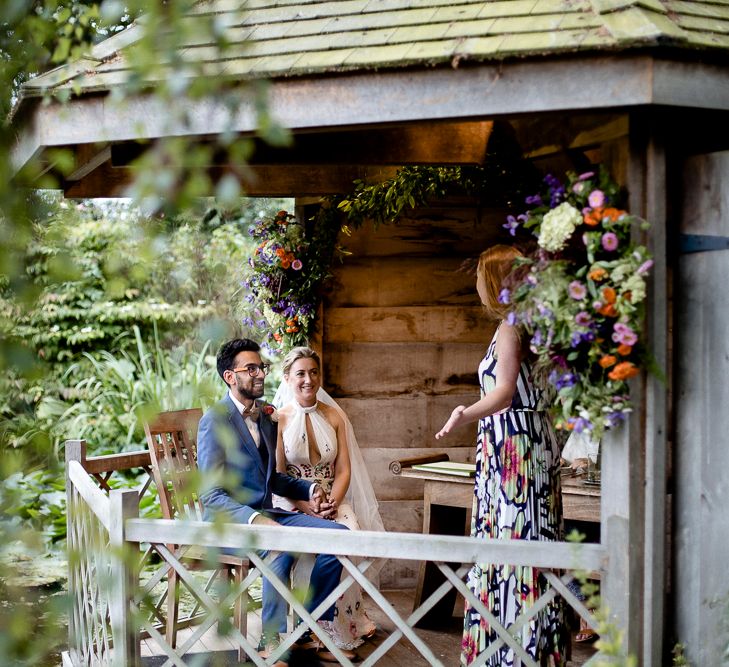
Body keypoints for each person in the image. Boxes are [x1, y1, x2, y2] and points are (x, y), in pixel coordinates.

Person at [435, 246, 566, 667]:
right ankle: (522, 644)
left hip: (515, 446)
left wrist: (463, 412)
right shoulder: (525, 325)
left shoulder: (512, 328)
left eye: (478, 276)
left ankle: (514, 649)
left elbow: (505, 391)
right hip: (519, 441)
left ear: (494, 281)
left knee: (515, 538)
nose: (474, 283)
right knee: (517, 538)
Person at [196, 338, 354, 666]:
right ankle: (272, 639)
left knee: (338, 536)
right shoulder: (214, 420)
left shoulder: (266, 418)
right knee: (278, 547)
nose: (259, 374)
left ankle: (312, 629)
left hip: (268, 513)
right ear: (230, 377)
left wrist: (309, 489)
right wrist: (256, 521)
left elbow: (272, 479)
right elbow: (211, 496)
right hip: (232, 523)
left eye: (261, 367)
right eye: (250, 368)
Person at [272, 346, 382, 650]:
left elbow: (344, 469)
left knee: (351, 534)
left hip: (331, 498)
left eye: (314, 372)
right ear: (287, 378)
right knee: (302, 547)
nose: (308, 379)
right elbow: (278, 474)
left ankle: (337, 623)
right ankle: (306, 627)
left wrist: (332, 501)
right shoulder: (278, 420)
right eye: (301, 374)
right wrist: (306, 504)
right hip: (292, 500)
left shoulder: (335, 416)